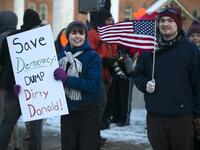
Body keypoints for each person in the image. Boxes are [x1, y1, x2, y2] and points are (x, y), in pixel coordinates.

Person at [133, 6, 200, 150]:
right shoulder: (148, 50)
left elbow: (198, 84)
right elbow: (137, 75)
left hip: (182, 117)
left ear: (178, 24)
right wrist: (144, 84)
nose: (165, 24)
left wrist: (197, 114)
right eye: (162, 20)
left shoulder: (190, 50)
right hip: (155, 117)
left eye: (170, 20)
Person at [54, 20, 101, 150]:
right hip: (67, 113)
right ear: (68, 36)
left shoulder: (93, 57)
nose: (77, 37)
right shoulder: (60, 57)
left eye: (81, 33)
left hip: (87, 113)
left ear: (85, 36)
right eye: (74, 33)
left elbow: (93, 85)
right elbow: (47, 82)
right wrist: (25, 89)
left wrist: (67, 79)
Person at [0, 9, 43, 150]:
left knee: (8, 122)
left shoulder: (10, 38)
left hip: (13, 88)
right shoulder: (38, 40)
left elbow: (5, 63)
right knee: (35, 125)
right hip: (32, 88)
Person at [0, 10, 20, 150]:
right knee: (11, 118)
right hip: (16, 83)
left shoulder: (2, 38)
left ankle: (8, 144)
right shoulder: (20, 36)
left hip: (4, 84)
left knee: (4, 116)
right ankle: (14, 143)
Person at [187, 17, 200, 150]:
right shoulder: (187, 55)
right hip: (190, 103)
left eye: (198, 35)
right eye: (192, 36)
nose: (195, 38)